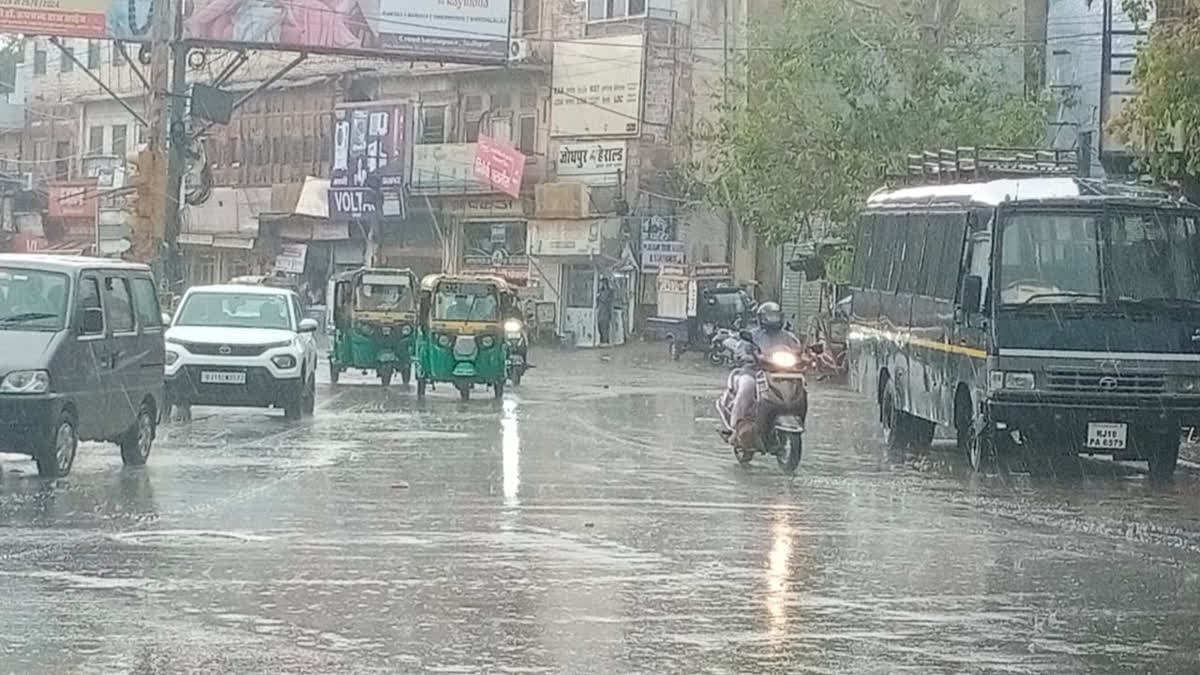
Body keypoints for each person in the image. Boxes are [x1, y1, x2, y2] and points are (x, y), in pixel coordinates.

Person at [720, 302, 802, 445]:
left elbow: (798, 351)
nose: (773, 319)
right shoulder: (753, 334)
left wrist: (807, 358)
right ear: (761, 318)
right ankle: (734, 428)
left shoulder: (788, 337)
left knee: (800, 388)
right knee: (747, 387)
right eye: (769, 316)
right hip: (754, 371)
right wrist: (747, 355)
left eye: (775, 316)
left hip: (781, 374)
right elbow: (742, 349)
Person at [596, 278, 614, 345]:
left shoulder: (610, 291)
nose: (601, 285)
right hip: (600, 310)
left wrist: (599, 297)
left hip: (606, 310)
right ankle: (602, 340)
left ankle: (605, 340)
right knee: (600, 324)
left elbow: (606, 300)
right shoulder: (600, 291)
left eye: (603, 283)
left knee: (605, 325)